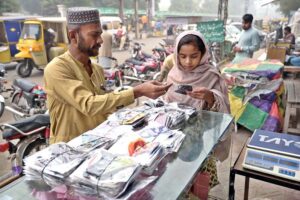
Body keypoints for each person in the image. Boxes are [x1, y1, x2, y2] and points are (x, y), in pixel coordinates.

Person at [44, 7, 171, 144]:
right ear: (73, 36)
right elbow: (89, 105)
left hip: (97, 144)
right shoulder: (57, 68)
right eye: (94, 35)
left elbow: (104, 105)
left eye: (100, 34)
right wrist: (138, 91)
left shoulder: (97, 69)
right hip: (68, 149)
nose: (100, 40)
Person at [163, 30, 230, 197]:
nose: (187, 62)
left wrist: (209, 96)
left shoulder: (211, 75)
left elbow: (221, 112)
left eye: (194, 56)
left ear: (203, 53)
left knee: (198, 178)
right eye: (182, 56)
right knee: (176, 176)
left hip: (201, 139)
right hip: (175, 139)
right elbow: (166, 102)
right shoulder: (173, 73)